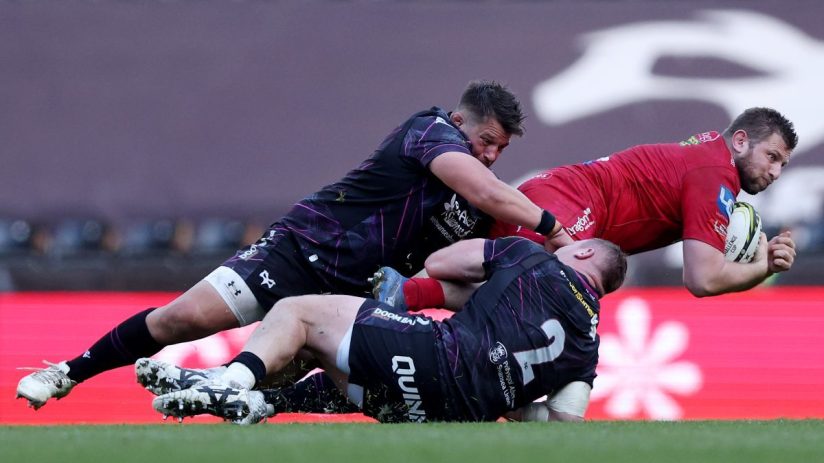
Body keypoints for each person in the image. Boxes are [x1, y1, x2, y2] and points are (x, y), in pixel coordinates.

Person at [16, 80, 573, 410]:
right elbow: (485, 188)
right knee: (181, 320)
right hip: (303, 248)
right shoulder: (431, 131)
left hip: (353, 291)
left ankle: (209, 387)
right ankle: (66, 372)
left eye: (501, 150)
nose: (491, 156)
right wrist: (552, 226)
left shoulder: (477, 206)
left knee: (302, 376)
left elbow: (465, 256)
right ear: (460, 121)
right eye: (487, 141)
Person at [149, 235, 628, 424]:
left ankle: (227, 381)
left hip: (435, 357)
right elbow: (562, 424)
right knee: (334, 353)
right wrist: (502, 396)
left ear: (584, 253)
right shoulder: (587, 350)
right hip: (449, 416)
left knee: (298, 314)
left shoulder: (534, 259)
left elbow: (440, 263)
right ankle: (258, 400)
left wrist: (495, 276)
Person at [377, 107, 799, 312]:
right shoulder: (716, 174)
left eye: (783, 164)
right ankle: (400, 301)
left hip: (564, 196)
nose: (776, 172)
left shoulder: (710, 154)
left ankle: (397, 299)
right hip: (571, 205)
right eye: (773, 157)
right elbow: (702, 279)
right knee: (534, 299)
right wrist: (761, 267)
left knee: (518, 300)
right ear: (740, 141)